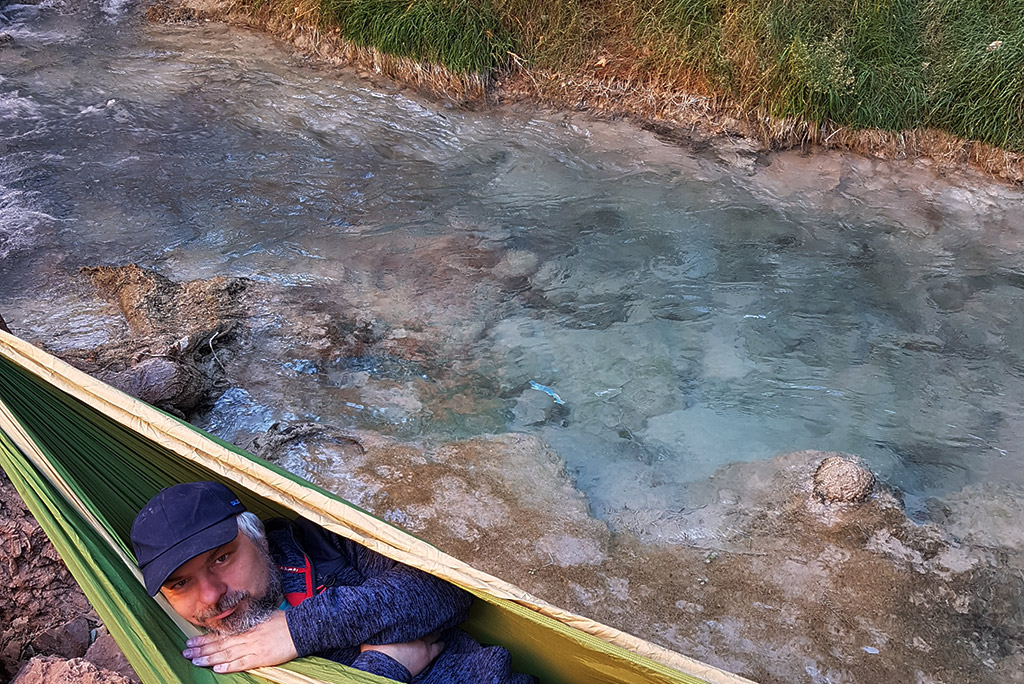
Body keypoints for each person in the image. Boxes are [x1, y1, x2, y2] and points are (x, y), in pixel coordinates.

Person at [130, 481, 534, 683]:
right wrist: (385, 667)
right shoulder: (195, 660)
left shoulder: (325, 542)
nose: (212, 595)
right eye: (180, 584)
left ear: (256, 537)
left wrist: (297, 630)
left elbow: (446, 590)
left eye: (222, 558)